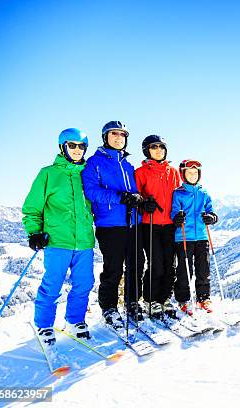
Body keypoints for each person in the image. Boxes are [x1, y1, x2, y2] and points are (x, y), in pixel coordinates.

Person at [22, 128, 95, 346]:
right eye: (72, 145)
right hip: (57, 241)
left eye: (81, 146)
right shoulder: (48, 174)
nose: (77, 150)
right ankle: (44, 325)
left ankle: (75, 321)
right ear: (63, 147)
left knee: (84, 283)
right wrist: (34, 232)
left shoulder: (87, 174)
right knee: (52, 284)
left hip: (84, 241)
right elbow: (32, 207)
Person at [81, 120, 145, 328]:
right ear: (105, 137)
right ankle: (109, 307)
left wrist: (141, 200)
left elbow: (134, 193)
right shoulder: (94, 162)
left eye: (122, 135)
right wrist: (120, 197)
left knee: (136, 265)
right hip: (110, 224)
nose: (118, 138)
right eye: (114, 134)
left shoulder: (128, 165)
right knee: (114, 267)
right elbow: (91, 191)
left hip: (133, 223)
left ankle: (132, 302)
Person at [134, 135, 182, 319]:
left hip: (170, 224)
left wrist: (179, 214)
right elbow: (135, 196)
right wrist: (144, 203)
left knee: (171, 264)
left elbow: (179, 196)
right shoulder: (141, 172)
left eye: (161, 147)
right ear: (147, 150)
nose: (158, 150)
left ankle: (165, 298)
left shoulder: (173, 171)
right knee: (156, 263)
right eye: (154, 147)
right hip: (150, 223)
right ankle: (151, 299)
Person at [171, 160, 218, 315]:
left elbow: (211, 211)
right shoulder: (178, 193)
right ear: (183, 174)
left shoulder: (204, 193)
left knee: (203, 269)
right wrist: (177, 217)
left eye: (196, 173)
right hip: (184, 237)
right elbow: (173, 211)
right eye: (190, 172)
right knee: (185, 270)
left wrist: (211, 217)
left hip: (202, 237)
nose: (193, 175)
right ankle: (184, 299)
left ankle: (203, 298)